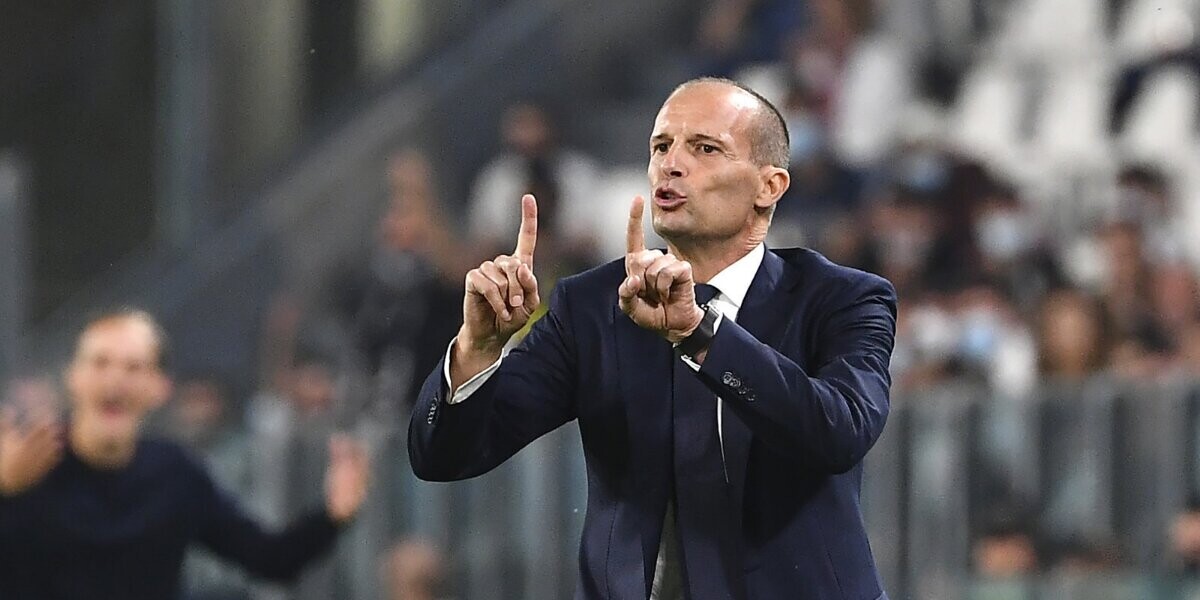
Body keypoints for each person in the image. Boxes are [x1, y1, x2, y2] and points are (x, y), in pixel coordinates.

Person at [409, 78, 897, 599]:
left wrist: (700, 334)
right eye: (661, 146)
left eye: (705, 149)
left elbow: (840, 430)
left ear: (769, 186)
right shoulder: (592, 307)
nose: (672, 164)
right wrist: (477, 350)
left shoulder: (842, 298)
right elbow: (443, 456)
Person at [0, 309, 370, 600]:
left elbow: (269, 559)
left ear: (160, 387)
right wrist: (5, 489)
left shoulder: (174, 475)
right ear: (73, 377)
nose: (115, 380)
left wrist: (333, 515)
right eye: (100, 363)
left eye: (134, 367)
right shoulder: (25, 465)